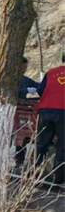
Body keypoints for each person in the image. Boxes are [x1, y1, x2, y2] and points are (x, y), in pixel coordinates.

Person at [34, 52, 65, 187]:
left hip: (46, 111)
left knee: (41, 144)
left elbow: (40, 91)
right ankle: (58, 178)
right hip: (63, 112)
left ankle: (34, 175)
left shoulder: (51, 73)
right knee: (62, 146)